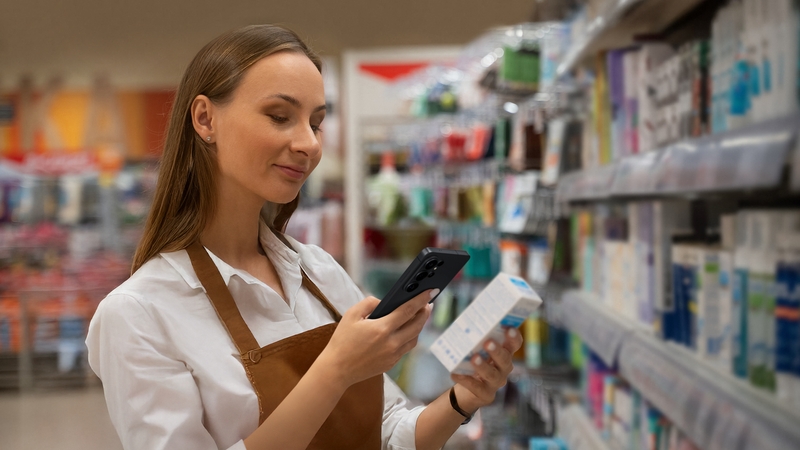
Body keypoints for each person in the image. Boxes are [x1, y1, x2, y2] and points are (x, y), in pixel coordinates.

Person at [86, 25, 522, 450]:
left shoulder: (317, 271)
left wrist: (462, 399)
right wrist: (336, 370)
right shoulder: (138, 316)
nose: (309, 144)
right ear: (205, 119)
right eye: (280, 116)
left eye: (315, 123)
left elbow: (388, 433)